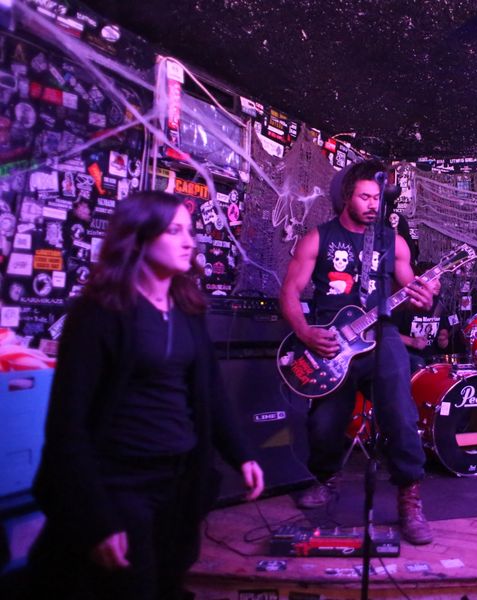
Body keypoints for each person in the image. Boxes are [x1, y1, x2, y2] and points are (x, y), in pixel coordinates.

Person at [25, 191, 265, 600]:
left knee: (168, 580)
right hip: (119, 482)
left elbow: (210, 390)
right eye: (174, 231)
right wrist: (96, 517)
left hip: (178, 480)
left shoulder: (186, 307)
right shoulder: (99, 313)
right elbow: (68, 426)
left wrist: (241, 454)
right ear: (138, 238)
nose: (189, 242)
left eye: (189, 231)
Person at [279, 159, 436, 545]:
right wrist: (305, 332)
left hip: (380, 336)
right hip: (331, 342)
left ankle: (409, 496)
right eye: (364, 197)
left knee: (400, 414)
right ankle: (325, 478)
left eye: (377, 198)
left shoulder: (393, 242)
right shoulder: (317, 238)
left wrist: (424, 299)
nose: (372, 205)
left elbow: (414, 290)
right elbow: (290, 292)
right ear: (347, 196)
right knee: (325, 423)